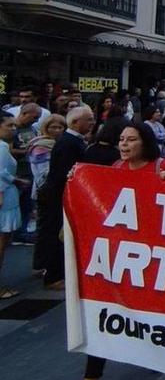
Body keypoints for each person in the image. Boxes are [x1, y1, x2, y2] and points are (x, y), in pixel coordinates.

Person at [55, 119, 165, 380]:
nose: (124, 145)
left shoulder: (163, 167)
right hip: (119, 259)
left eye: (131, 140)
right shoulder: (115, 171)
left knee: (152, 313)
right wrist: (78, 181)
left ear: (144, 142)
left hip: (152, 260)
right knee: (106, 315)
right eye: (121, 139)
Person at [39, 106, 94, 291]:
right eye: (89, 119)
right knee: (57, 236)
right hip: (59, 197)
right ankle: (53, 276)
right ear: (76, 122)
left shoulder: (73, 141)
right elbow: (64, 174)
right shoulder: (68, 143)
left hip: (62, 195)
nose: (92, 123)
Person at [0, 112, 28, 298]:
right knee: (1, 245)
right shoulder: (1, 147)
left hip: (8, 195)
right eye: (9, 125)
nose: (13, 128)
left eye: (13, 125)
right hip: (5, 200)